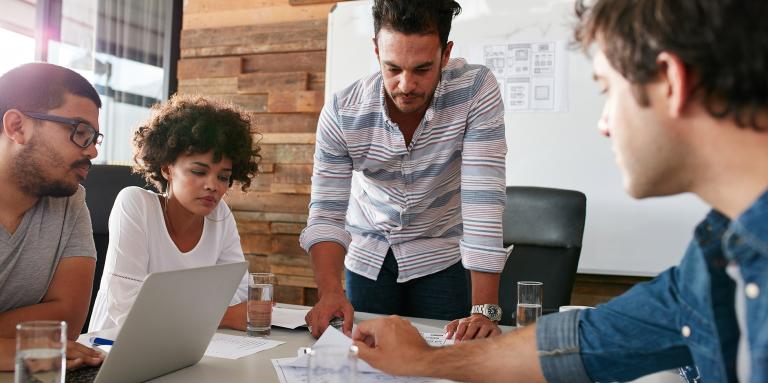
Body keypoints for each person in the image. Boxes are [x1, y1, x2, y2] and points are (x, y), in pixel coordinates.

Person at [351, 0, 768, 382]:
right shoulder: (714, 260)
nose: (603, 123)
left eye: (608, 90)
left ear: (671, 82)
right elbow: (589, 340)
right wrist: (426, 361)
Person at [301, 0, 508, 341]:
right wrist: (329, 292)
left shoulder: (475, 90)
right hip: (369, 253)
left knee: (447, 361)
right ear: (376, 50)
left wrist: (483, 311)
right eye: (393, 68)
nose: (406, 84)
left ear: (445, 54)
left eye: (422, 69)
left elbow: (482, 199)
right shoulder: (342, 112)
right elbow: (326, 213)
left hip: (441, 253)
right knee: (367, 361)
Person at [88, 95, 260, 332]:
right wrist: (224, 316)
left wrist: (179, 310)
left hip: (188, 343)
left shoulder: (220, 215)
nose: (213, 185)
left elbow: (241, 294)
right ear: (167, 169)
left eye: (223, 177)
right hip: (112, 348)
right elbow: (128, 310)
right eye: (199, 171)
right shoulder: (135, 204)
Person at [0, 63, 105, 370]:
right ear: (17, 126)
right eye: (79, 131)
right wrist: (10, 350)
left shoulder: (70, 201)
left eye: (94, 137)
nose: (92, 152)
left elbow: (67, 323)